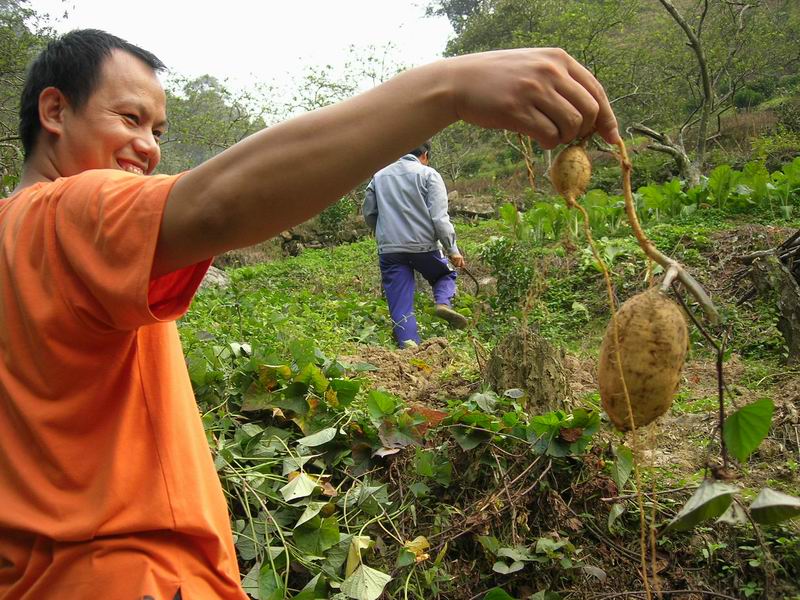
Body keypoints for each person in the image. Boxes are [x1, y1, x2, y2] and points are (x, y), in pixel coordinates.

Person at [0, 27, 620, 599]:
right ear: (55, 111)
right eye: (130, 118)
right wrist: (446, 88)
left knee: (401, 301)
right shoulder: (68, 211)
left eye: (159, 131)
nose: (148, 148)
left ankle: (414, 339)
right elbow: (218, 203)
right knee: (423, 292)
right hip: (129, 575)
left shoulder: (14, 236)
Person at [363, 140, 468, 347]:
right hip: (424, 247)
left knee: (400, 303)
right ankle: (442, 303)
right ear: (425, 155)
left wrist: (384, 233)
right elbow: (440, 218)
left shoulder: (379, 176)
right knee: (444, 275)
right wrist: (452, 250)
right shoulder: (429, 174)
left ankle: (409, 349)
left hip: (390, 250)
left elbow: (369, 213)